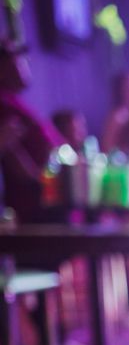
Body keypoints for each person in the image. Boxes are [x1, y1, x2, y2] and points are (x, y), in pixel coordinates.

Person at [0, 39, 62, 222]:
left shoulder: (13, 101)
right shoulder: (3, 104)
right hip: (35, 207)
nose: (23, 62)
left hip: (44, 201)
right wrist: (43, 184)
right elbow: (11, 151)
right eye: (16, 57)